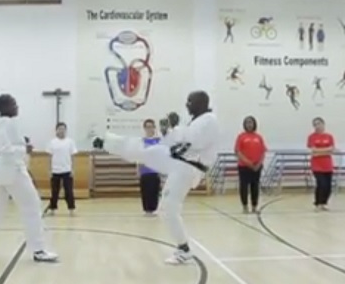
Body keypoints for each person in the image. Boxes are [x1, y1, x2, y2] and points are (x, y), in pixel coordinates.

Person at [102, 91, 218, 264]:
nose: (187, 104)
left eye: (190, 101)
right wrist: (167, 130)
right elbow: (176, 141)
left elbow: (193, 141)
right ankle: (107, 142)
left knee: (169, 208)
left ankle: (184, 249)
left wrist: (176, 127)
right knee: (144, 153)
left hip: (187, 167)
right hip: (177, 161)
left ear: (201, 103)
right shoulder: (197, 121)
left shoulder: (209, 120)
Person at [0, 94, 58, 262]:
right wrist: (25, 149)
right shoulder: (9, 123)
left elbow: (1, 146)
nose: (17, 107)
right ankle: (39, 250)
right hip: (10, 169)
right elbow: (6, 149)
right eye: (14, 104)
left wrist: (22, 146)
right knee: (32, 207)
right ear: (6, 107)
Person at [234, 116, 266, 213]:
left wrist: (258, 164)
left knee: (255, 186)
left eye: (251, 122)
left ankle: (254, 206)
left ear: (254, 124)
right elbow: (238, 152)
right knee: (244, 186)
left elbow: (263, 152)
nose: (249, 124)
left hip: (257, 167)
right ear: (244, 124)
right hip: (244, 167)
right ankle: (245, 206)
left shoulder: (258, 137)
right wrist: (248, 163)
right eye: (247, 122)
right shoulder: (241, 137)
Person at [46, 122, 77, 216]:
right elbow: (49, 157)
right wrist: (49, 170)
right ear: (56, 130)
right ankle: (53, 208)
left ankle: (71, 209)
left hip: (67, 170)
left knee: (69, 191)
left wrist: (73, 169)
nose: (61, 131)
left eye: (63, 129)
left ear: (65, 130)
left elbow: (73, 157)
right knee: (54, 191)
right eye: (59, 129)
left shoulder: (70, 142)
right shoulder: (52, 142)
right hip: (55, 170)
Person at [307, 117, 335, 211]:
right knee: (321, 184)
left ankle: (323, 203)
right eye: (315, 124)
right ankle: (317, 203)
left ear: (323, 124)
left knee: (328, 186)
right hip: (316, 165)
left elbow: (332, 149)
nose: (317, 126)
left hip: (328, 165)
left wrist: (319, 152)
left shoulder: (329, 136)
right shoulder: (312, 137)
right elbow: (313, 150)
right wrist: (325, 150)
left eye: (318, 124)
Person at [139, 119, 161, 216]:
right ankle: (147, 209)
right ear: (144, 128)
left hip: (155, 170)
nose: (149, 129)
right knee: (145, 191)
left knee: (154, 190)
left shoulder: (158, 141)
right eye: (147, 127)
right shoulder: (141, 141)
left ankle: (154, 209)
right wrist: (137, 169)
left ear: (154, 128)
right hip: (144, 170)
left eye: (151, 127)